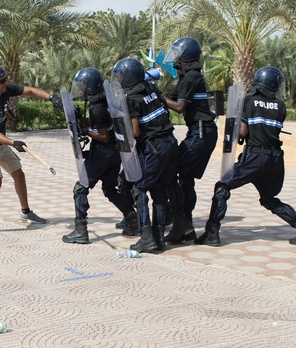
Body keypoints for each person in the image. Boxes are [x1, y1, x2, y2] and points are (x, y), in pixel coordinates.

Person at [195, 66, 296, 247]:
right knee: (269, 199)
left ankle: (212, 233)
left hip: (255, 157)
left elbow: (242, 132)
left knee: (222, 187)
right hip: (274, 159)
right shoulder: (280, 106)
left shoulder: (249, 101)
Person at [0, 65, 56, 236]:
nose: (5, 83)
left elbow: (30, 90)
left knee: (19, 174)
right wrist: (13, 142)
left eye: (5, 79)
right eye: (1, 81)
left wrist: (52, 98)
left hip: (1, 145)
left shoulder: (6, 89)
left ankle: (25, 212)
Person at [62, 68, 138, 244]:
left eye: (82, 86)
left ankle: (80, 230)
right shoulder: (104, 103)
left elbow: (102, 136)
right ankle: (132, 219)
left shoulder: (97, 108)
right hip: (113, 153)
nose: (79, 90)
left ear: (90, 87)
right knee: (109, 189)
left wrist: (85, 131)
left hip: (103, 152)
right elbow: (100, 126)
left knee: (80, 188)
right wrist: (81, 121)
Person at [112, 57, 179, 253]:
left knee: (139, 189)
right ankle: (158, 237)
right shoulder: (150, 88)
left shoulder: (131, 98)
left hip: (155, 148)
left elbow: (135, 132)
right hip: (170, 143)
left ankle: (147, 236)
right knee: (158, 190)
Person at [159, 37, 219, 243]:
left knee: (169, 170)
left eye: (176, 53)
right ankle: (186, 226)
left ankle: (181, 222)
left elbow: (178, 106)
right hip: (200, 132)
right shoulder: (186, 77)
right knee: (186, 177)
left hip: (201, 133)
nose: (173, 57)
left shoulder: (192, 76)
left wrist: (157, 95)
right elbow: (171, 97)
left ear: (185, 56)